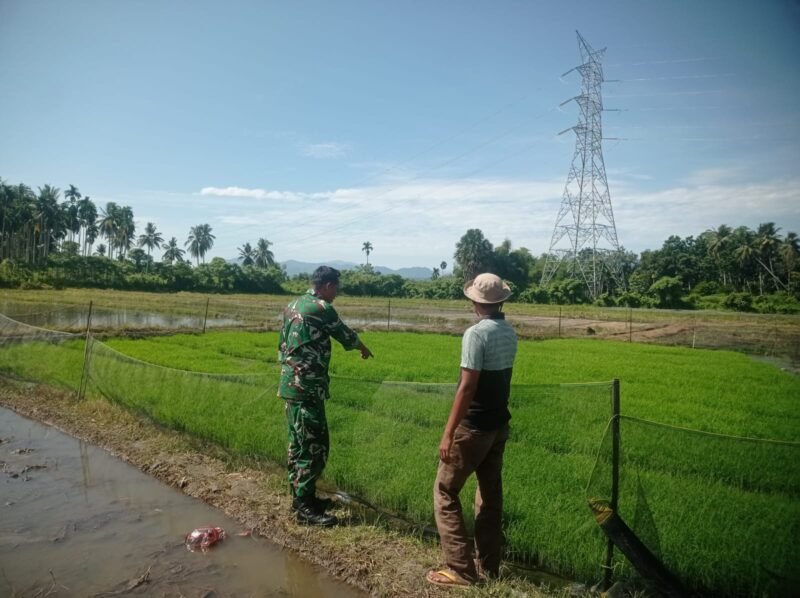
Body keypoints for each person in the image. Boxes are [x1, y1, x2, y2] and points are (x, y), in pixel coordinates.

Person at [426, 272, 518, 587]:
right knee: (490, 494)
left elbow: (467, 387)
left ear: (475, 302)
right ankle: (489, 566)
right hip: (498, 425)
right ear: (501, 300)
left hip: (474, 427)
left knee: (445, 491)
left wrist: (449, 432)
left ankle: (461, 570)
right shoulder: (509, 331)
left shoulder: (475, 334)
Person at [278, 265, 373, 526]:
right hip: (307, 388)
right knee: (314, 445)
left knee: (297, 443)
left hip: (289, 386)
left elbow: (282, 345)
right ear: (328, 286)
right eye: (336, 288)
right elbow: (344, 334)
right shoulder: (322, 308)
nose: (337, 293)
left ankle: (300, 495)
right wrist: (363, 348)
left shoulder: (293, 304)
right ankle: (305, 509)